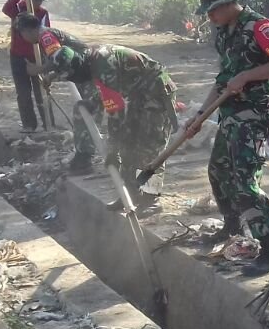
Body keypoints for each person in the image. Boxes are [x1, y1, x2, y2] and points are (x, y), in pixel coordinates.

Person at [183, 0, 269, 275]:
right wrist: (199, 115)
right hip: (230, 114)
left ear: (228, 3)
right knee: (219, 170)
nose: (209, 17)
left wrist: (248, 75)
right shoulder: (223, 32)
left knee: (244, 180)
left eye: (212, 11)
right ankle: (233, 227)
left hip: (254, 114)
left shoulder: (260, 27)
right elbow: (224, 80)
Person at [48, 42, 178, 209]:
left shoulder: (102, 64)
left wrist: (113, 149)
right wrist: (94, 102)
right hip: (137, 92)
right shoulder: (91, 60)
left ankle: (150, 198)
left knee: (149, 147)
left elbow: (116, 113)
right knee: (128, 145)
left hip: (156, 91)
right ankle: (130, 195)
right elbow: (108, 90)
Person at [16, 15, 100, 174]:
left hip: (89, 73)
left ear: (27, 31)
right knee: (84, 114)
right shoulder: (47, 35)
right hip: (85, 72)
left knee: (85, 114)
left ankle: (86, 158)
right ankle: (84, 155)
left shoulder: (46, 36)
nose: (23, 38)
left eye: (22, 34)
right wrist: (51, 76)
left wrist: (38, 70)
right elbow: (64, 60)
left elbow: (57, 59)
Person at [1, 0, 51, 132]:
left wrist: (45, 61)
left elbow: (47, 34)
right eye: (36, 0)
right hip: (18, 57)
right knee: (23, 93)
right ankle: (29, 125)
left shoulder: (42, 13)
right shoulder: (18, 10)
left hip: (37, 58)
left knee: (41, 92)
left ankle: (49, 123)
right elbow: (6, 9)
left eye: (40, 1)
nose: (38, 3)